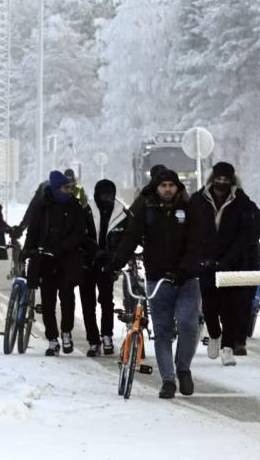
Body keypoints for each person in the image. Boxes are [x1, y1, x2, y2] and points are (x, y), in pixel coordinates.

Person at [104, 169, 203, 399]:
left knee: (189, 325)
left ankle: (183, 368)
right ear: (156, 188)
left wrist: (185, 270)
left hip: (186, 279)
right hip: (157, 278)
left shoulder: (188, 208)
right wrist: (115, 263)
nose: (167, 189)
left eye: (171, 185)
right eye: (163, 185)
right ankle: (168, 379)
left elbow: (197, 243)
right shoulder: (145, 207)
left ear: (177, 187)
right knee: (162, 331)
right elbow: (131, 237)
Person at [191, 162, 259, 364]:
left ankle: (227, 347)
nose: (222, 183)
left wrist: (229, 260)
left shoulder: (242, 202)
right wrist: (200, 257)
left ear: (232, 181)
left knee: (231, 308)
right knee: (209, 306)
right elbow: (192, 230)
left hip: (234, 263)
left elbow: (246, 235)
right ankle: (214, 334)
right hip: (206, 262)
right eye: (218, 178)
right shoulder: (198, 200)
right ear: (213, 179)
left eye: (226, 179)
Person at [23, 171, 90, 356]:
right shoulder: (42, 207)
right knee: (47, 302)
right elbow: (33, 231)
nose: (69, 191)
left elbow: (79, 233)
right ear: (56, 188)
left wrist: (64, 246)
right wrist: (28, 250)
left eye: (70, 187)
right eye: (65, 188)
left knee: (67, 299)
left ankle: (66, 331)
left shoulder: (75, 206)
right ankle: (52, 338)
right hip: (45, 260)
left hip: (67, 260)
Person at [80, 179, 128, 357]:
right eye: (103, 195)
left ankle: (107, 336)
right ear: (96, 195)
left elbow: (128, 238)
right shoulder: (87, 211)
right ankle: (93, 341)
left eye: (109, 195)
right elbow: (81, 235)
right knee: (87, 304)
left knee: (106, 302)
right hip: (87, 262)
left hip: (108, 265)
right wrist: (94, 250)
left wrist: (115, 257)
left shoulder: (122, 214)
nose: (106, 198)